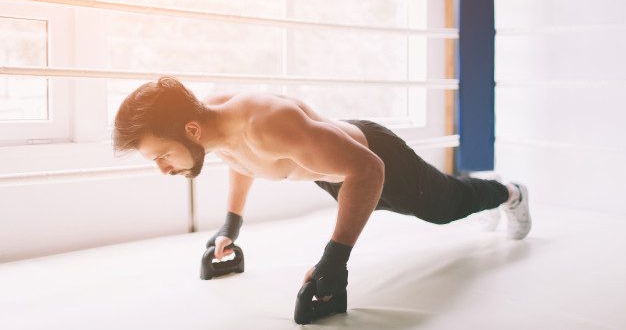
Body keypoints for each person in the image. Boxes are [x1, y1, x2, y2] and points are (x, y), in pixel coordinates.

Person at [113, 76, 531, 307]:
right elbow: (240, 161)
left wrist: (335, 261)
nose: (163, 169)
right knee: (444, 198)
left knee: (445, 208)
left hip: (374, 158)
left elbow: (368, 170)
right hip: (335, 169)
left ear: (189, 131)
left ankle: (509, 191)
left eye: (161, 157)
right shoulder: (212, 122)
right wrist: (231, 225)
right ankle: (485, 194)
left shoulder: (266, 124)